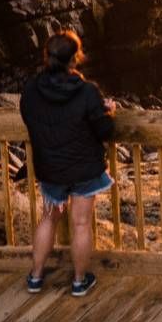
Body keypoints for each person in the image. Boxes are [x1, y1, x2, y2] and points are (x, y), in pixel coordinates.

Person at [20, 30, 116, 297]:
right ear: (75, 58)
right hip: (84, 168)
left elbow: (30, 118)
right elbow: (104, 130)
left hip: (50, 168)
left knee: (49, 218)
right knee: (81, 223)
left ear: (47, 57)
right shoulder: (87, 92)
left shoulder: (31, 90)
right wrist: (109, 111)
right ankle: (79, 281)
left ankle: (36, 277)